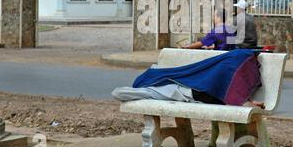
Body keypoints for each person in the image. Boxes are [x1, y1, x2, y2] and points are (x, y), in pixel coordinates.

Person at [112, 49, 265, 108]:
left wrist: (249, 103)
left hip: (197, 89)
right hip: (195, 91)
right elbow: (118, 94)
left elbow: (230, 91)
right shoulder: (154, 91)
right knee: (226, 71)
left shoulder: (159, 83)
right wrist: (249, 104)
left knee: (226, 69)